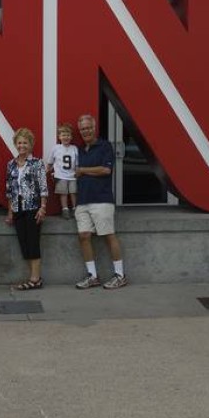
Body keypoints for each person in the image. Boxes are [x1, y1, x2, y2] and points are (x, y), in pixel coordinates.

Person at [73, 113, 126, 289]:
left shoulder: (105, 146)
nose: (85, 131)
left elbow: (105, 170)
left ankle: (120, 275)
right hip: (82, 201)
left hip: (102, 200)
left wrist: (83, 170)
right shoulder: (79, 150)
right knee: (84, 236)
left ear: (94, 127)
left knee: (108, 235)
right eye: (82, 129)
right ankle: (93, 276)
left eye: (88, 127)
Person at [5, 127, 48, 290]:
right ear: (16, 144)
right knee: (24, 244)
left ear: (31, 145)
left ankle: (35, 279)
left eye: (25, 142)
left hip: (32, 208)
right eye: (19, 142)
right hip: (17, 208)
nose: (22, 145)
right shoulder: (11, 164)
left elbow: (43, 187)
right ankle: (34, 278)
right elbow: (9, 190)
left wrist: (42, 207)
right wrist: (10, 212)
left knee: (33, 243)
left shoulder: (37, 163)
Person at [48, 123, 79, 219]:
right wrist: (47, 170)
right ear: (59, 137)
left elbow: (77, 163)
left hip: (72, 175)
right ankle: (65, 209)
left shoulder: (74, 148)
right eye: (63, 135)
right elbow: (50, 162)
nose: (66, 137)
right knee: (63, 193)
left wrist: (77, 172)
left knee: (73, 192)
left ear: (71, 137)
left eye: (68, 135)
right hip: (60, 176)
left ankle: (75, 208)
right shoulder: (56, 148)